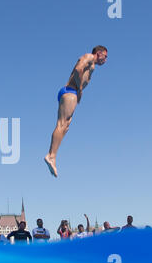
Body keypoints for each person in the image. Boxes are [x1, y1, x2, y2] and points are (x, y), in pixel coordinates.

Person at [44, 46, 108, 177]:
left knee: (65, 127)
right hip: (70, 91)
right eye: (105, 56)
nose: (105, 60)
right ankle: (51, 155)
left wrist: (80, 91)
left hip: (71, 92)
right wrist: (79, 89)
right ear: (99, 53)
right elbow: (79, 68)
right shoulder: (89, 57)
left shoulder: (92, 65)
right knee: (62, 124)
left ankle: (53, 156)